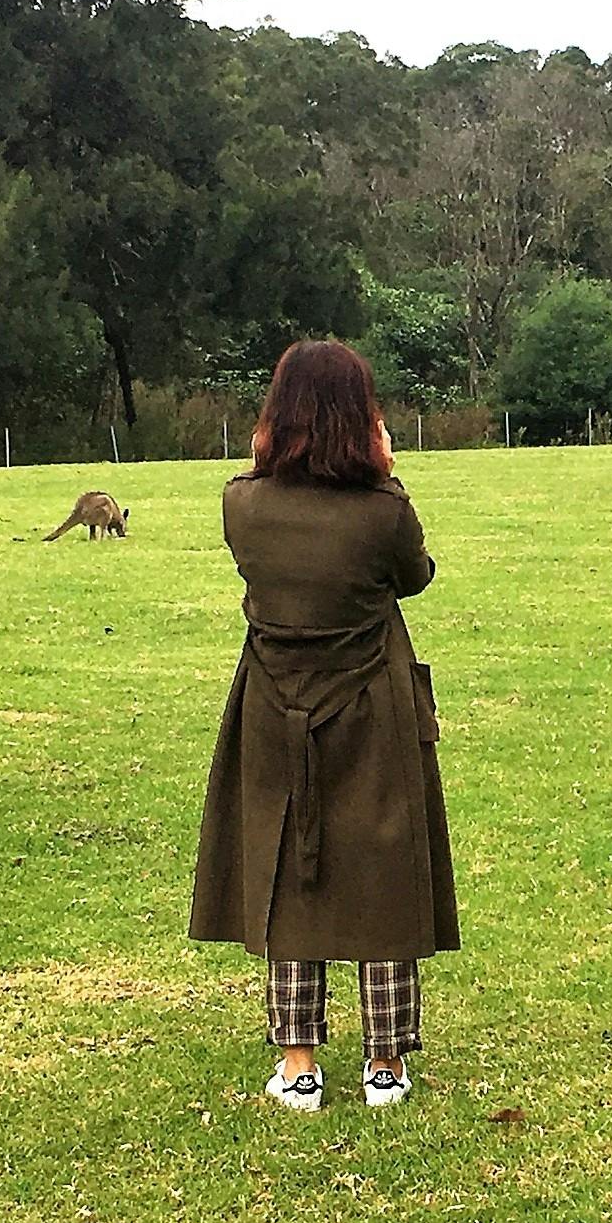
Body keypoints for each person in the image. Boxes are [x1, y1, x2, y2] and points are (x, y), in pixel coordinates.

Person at [190, 340, 459, 1111]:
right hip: (373, 706)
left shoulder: (242, 504)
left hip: (273, 706)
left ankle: (299, 1063)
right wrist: (385, 471)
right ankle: (385, 1062)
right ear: (360, 418)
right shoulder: (384, 511)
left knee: (285, 868)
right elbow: (415, 576)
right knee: (382, 868)